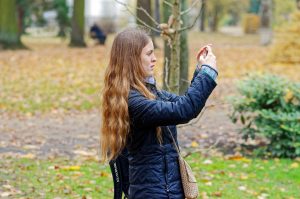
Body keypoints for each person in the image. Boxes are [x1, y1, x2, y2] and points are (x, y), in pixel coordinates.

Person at [100, 28, 218, 199]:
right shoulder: (134, 102)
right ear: (132, 59)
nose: (154, 58)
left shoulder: (150, 94)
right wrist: (208, 72)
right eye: (148, 54)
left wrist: (200, 69)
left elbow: (184, 103)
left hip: (164, 190)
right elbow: (184, 110)